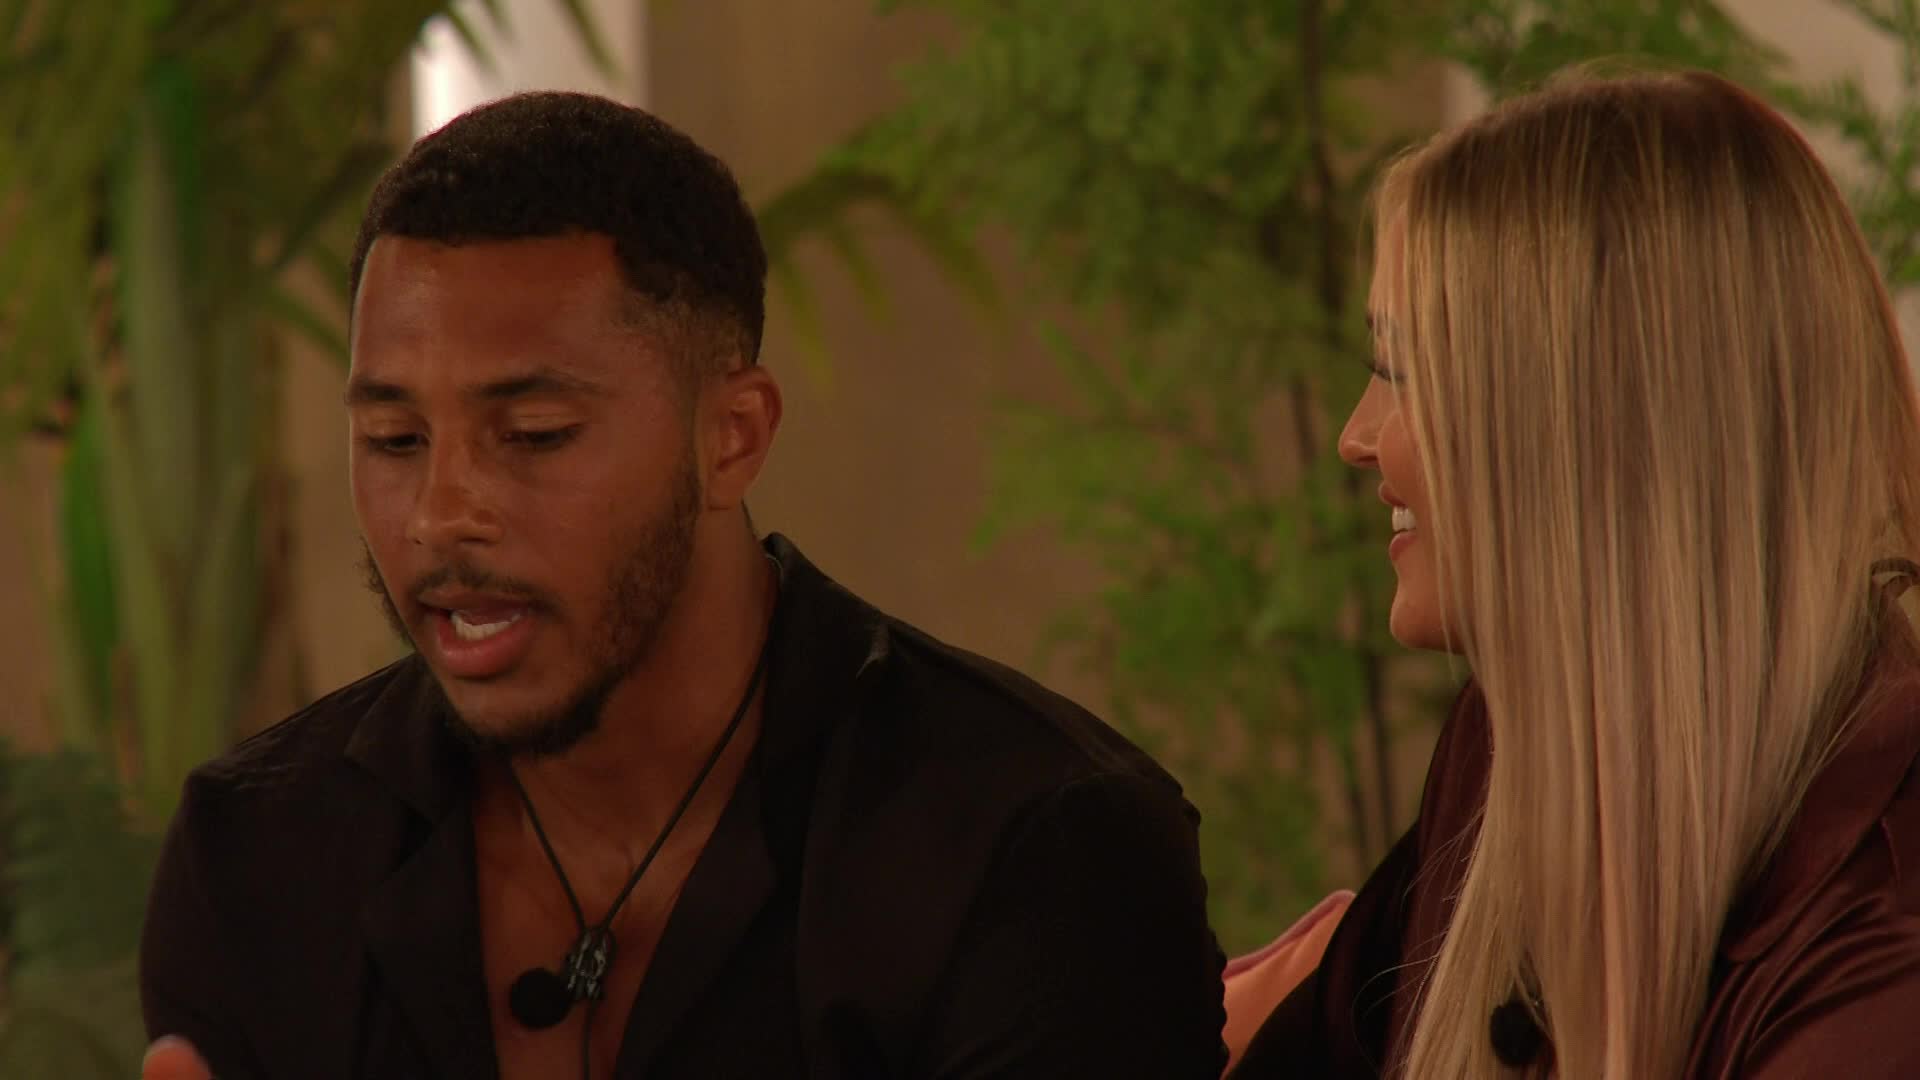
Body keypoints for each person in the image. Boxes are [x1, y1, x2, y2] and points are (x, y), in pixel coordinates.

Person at [137, 90, 1227, 1080]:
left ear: (731, 436)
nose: (438, 516)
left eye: (535, 434)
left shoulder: (1030, 847)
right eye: (394, 439)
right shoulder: (262, 853)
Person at [1234, 69, 1920, 1078]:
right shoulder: (1508, 747)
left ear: (1592, 432)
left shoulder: (1881, 952)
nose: (1357, 436)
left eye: (1401, 372)